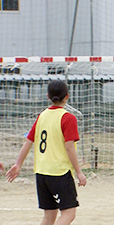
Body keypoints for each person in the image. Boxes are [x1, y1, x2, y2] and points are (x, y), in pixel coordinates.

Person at [6, 80, 86, 225]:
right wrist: (79, 171)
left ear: (48, 96)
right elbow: (69, 147)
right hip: (59, 172)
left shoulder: (42, 116)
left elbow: (28, 142)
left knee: (49, 216)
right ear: (67, 96)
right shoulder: (68, 118)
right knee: (69, 213)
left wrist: (18, 164)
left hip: (41, 172)